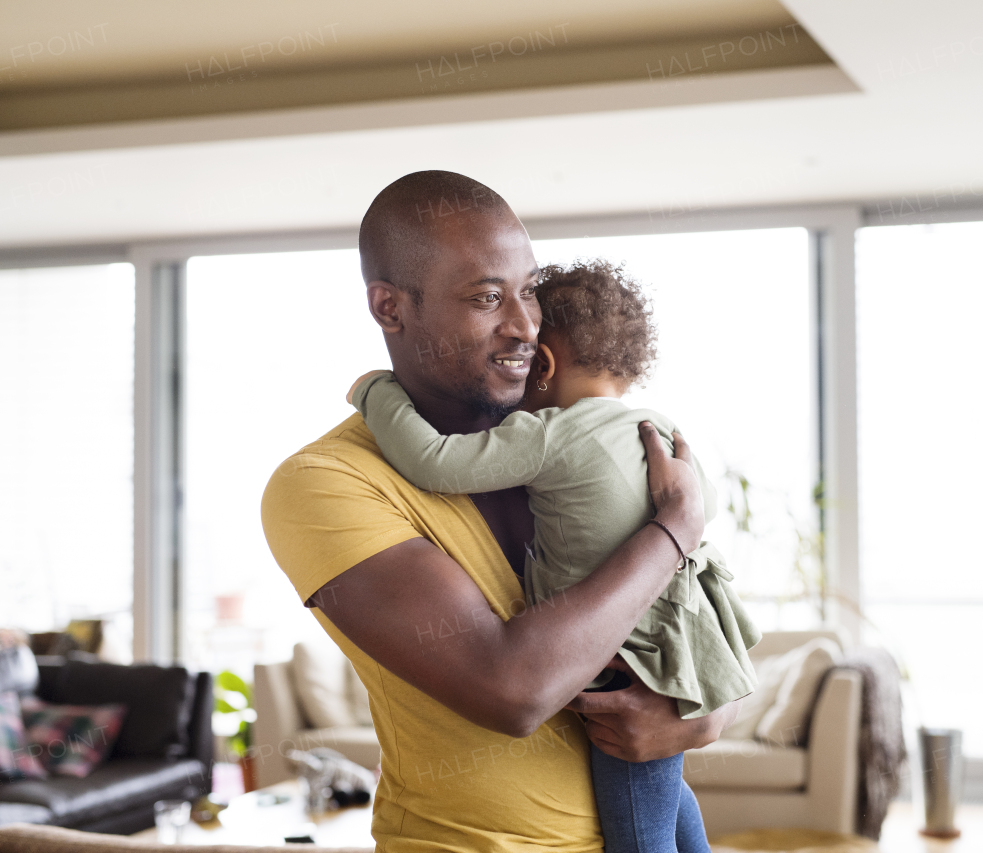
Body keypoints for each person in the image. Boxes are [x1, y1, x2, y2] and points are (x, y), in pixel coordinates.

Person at [261, 171, 741, 853]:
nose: (523, 326)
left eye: (528, 293)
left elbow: (701, 615)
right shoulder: (324, 483)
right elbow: (513, 688)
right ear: (390, 307)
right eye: (487, 297)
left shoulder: (564, 434)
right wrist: (673, 528)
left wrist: (704, 716)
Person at [345, 259, 760, 853]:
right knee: (665, 803)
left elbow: (434, 463)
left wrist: (374, 392)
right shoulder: (657, 425)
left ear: (543, 363)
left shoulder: (551, 434)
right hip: (676, 649)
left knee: (639, 834)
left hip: (619, 664)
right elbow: (701, 505)